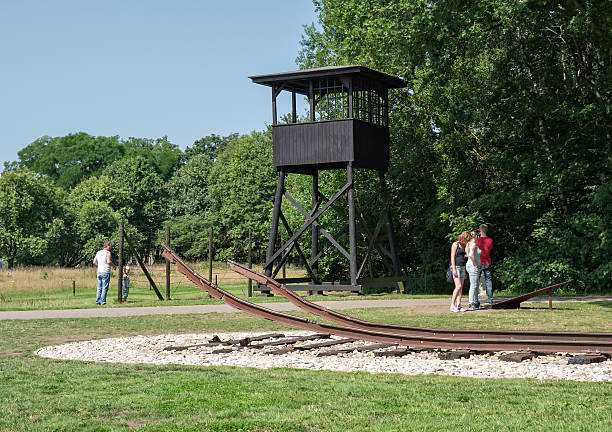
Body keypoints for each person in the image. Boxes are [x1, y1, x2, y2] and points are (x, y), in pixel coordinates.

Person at [450, 231, 471, 312]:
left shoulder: (464, 245)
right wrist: (454, 269)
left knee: (461, 288)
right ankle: (452, 305)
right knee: (458, 286)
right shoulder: (456, 244)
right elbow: (452, 257)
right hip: (456, 267)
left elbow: (465, 256)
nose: (467, 242)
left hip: (462, 267)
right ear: (463, 238)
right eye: (466, 240)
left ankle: (459, 305)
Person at [475, 224, 494, 303]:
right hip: (487, 262)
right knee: (488, 281)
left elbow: (475, 251)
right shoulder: (490, 240)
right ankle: (490, 298)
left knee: (476, 281)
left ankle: (475, 300)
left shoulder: (477, 241)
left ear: (480, 230)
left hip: (479, 262)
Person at [466, 231, 483, 310]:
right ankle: (471, 303)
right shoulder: (473, 244)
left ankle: (476, 302)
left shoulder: (468, 244)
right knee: (473, 285)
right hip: (473, 266)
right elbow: (471, 255)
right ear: (475, 236)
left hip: (470, 265)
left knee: (475, 285)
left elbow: (466, 254)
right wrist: (476, 264)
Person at [93, 241, 115, 305]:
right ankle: (103, 302)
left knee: (99, 287)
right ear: (108, 246)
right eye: (110, 246)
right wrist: (114, 266)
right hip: (105, 272)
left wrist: (100, 265)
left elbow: (94, 262)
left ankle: (98, 301)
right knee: (105, 287)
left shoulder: (98, 252)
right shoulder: (108, 252)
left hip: (99, 271)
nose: (111, 247)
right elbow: (108, 261)